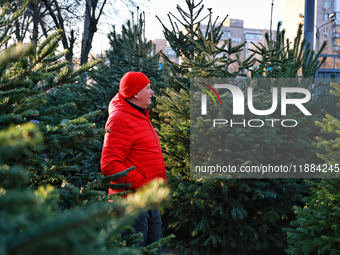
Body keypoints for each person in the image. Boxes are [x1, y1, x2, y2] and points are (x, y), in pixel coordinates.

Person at [100, 71, 167, 248]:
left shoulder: (140, 115)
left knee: (153, 251)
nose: (152, 92)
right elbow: (109, 165)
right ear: (135, 93)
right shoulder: (120, 119)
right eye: (148, 88)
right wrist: (144, 184)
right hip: (131, 204)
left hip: (148, 202)